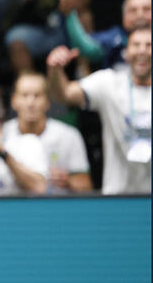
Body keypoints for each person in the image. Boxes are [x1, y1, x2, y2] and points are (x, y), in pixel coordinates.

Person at [46, 24, 151, 194]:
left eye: (149, 45)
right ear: (126, 53)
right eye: (136, 45)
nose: (142, 51)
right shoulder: (109, 83)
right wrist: (55, 69)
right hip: (117, 196)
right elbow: (62, 95)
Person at [3, 72, 92, 193]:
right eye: (24, 95)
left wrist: (68, 181)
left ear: (47, 101)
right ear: (14, 101)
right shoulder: (1, 135)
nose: (30, 103)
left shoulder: (69, 136)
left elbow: (86, 186)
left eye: (37, 95)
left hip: (55, 208)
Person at [59, 0, 151, 69]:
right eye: (133, 10)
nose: (140, 15)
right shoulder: (115, 38)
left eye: (147, 9)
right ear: (124, 16)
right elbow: (86, 47)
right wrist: (69, 10)